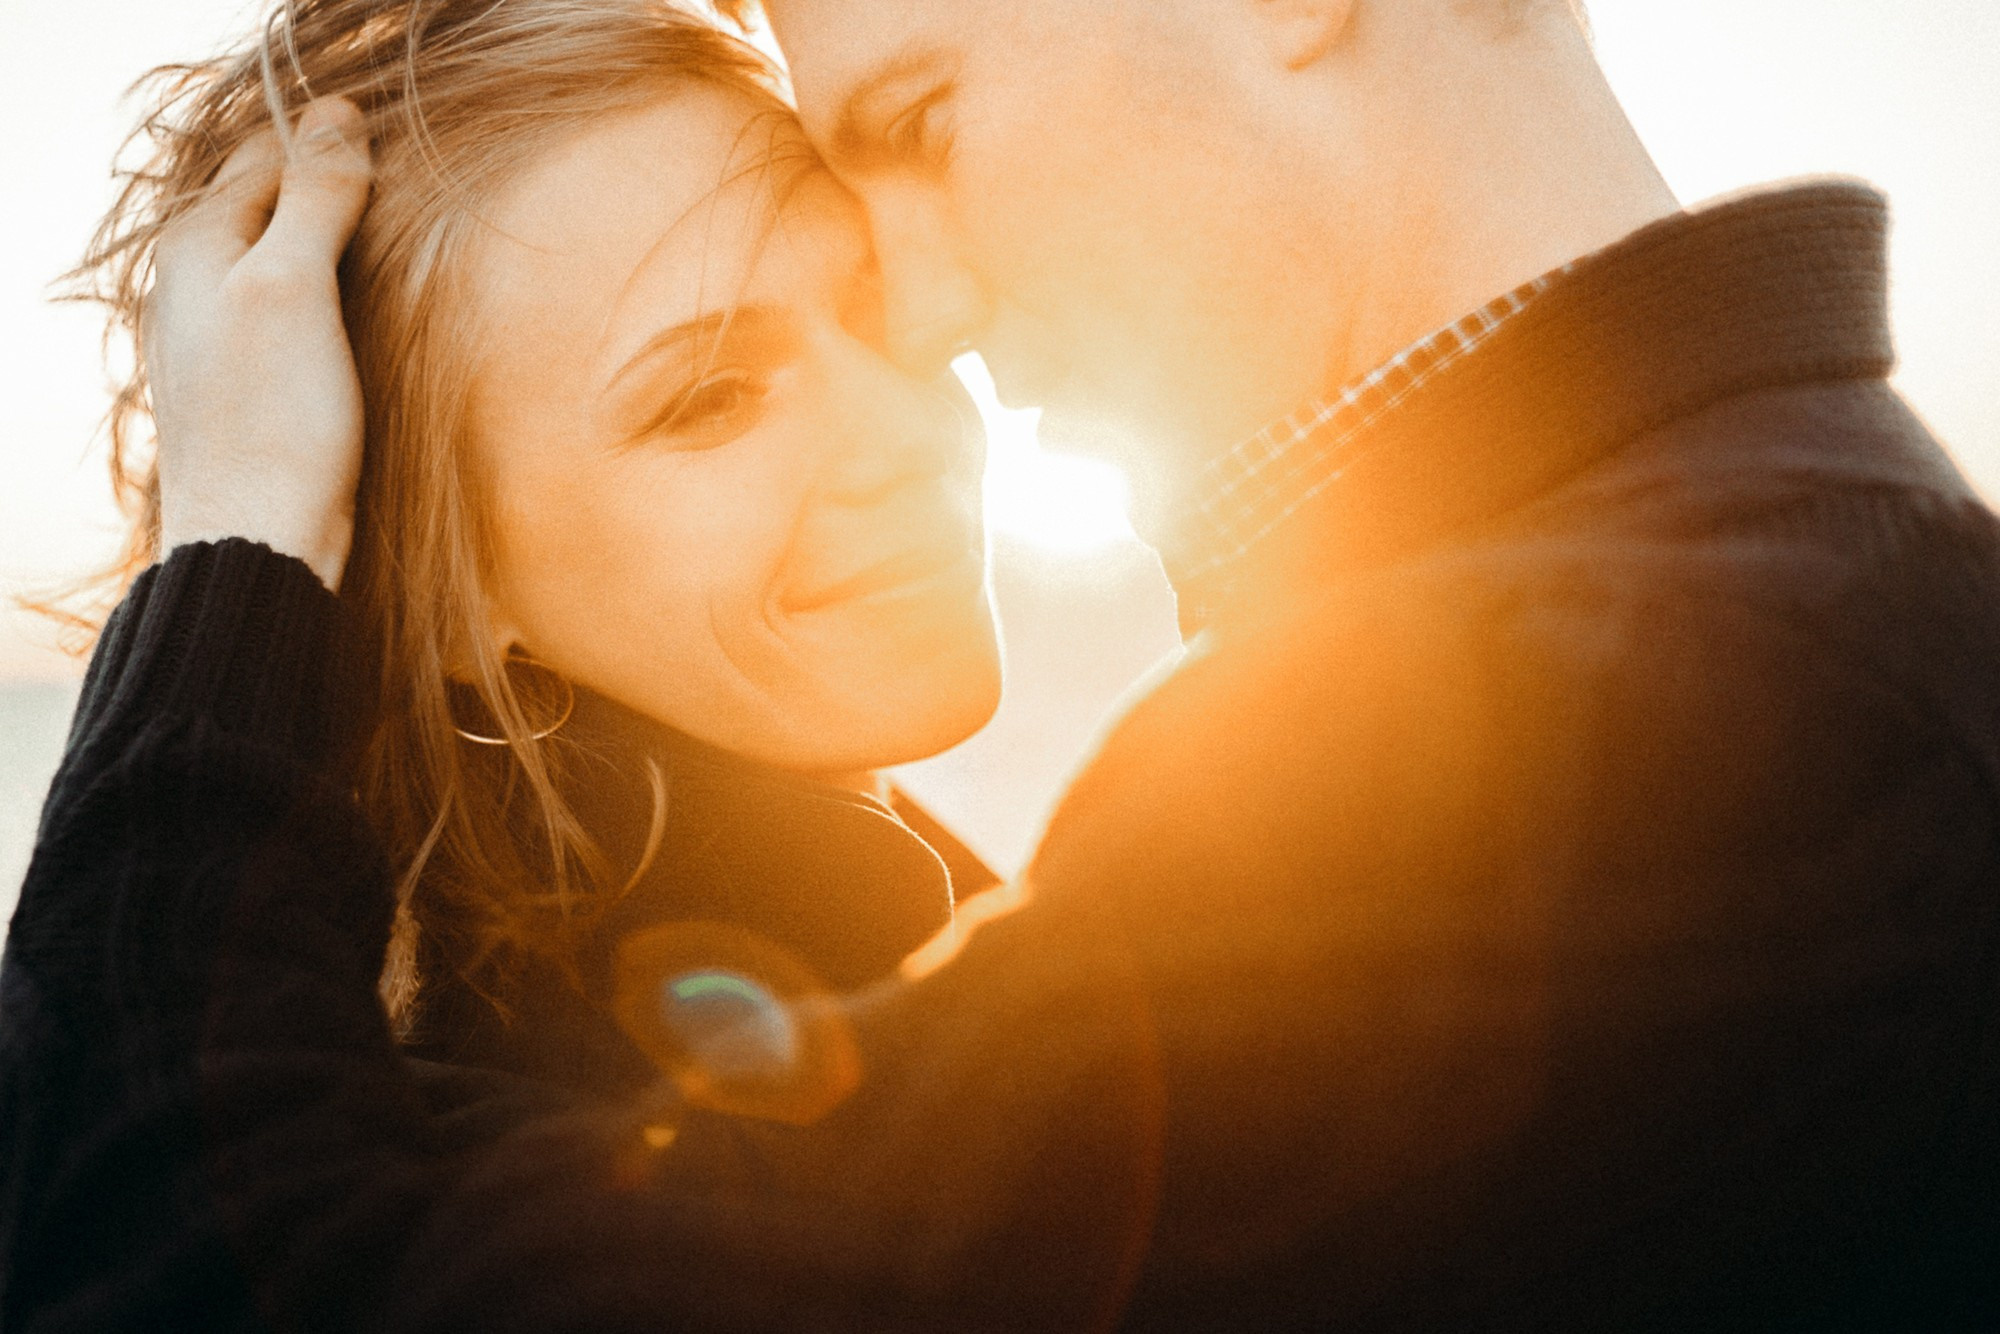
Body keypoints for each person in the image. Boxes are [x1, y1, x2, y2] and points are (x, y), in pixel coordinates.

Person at [7, 0, 1999, 1329]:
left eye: (927, 126)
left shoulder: (1599, 718)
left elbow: (182, 1270)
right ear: (450, 588)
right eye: (706, 396)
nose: (939, 344)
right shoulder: (1799, 587)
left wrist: (236, 572)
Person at [2, 1, 1016, 1326]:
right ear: (459, 600)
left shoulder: (944, 969)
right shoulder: (575, 1163)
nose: (910, 428)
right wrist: (247, 532)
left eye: (876, 307)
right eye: (707, 394)